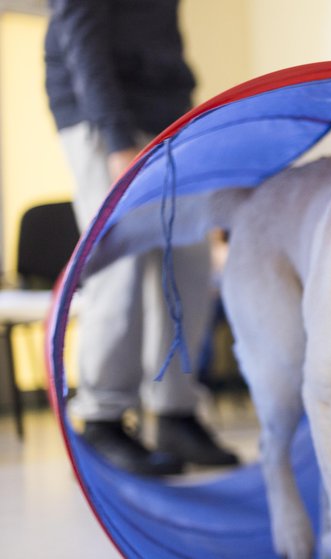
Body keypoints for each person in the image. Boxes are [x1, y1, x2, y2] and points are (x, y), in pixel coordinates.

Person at [45, 0, 238, 476]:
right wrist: (114, 138)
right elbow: (80, 34)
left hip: (167, 115)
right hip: (102, 109)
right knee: (121, 263)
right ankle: (102, 417)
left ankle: (175, 411)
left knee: (190, 257)